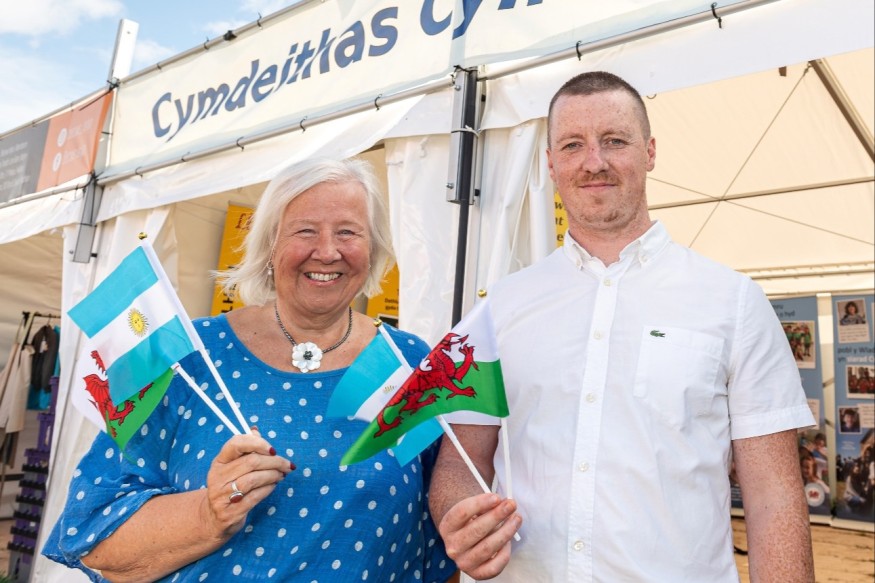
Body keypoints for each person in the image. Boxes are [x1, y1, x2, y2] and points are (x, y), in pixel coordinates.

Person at [428, 71, 815, 582]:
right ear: (550, 162)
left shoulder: (733, 302)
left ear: (650, 152)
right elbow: (460, 463)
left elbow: (774, 497)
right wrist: (461, 516)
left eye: (614, 140)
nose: (594, 162)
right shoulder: (499, 307)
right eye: (573, 145)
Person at [43, 157, 456, 582]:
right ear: (269, 246)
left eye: (348, 232)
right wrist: (208, 513)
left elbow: (441, 534)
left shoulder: (408, 362)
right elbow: (95, 535)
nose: (328, 251)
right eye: (305, 231)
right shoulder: (187, 355)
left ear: (372, 248)